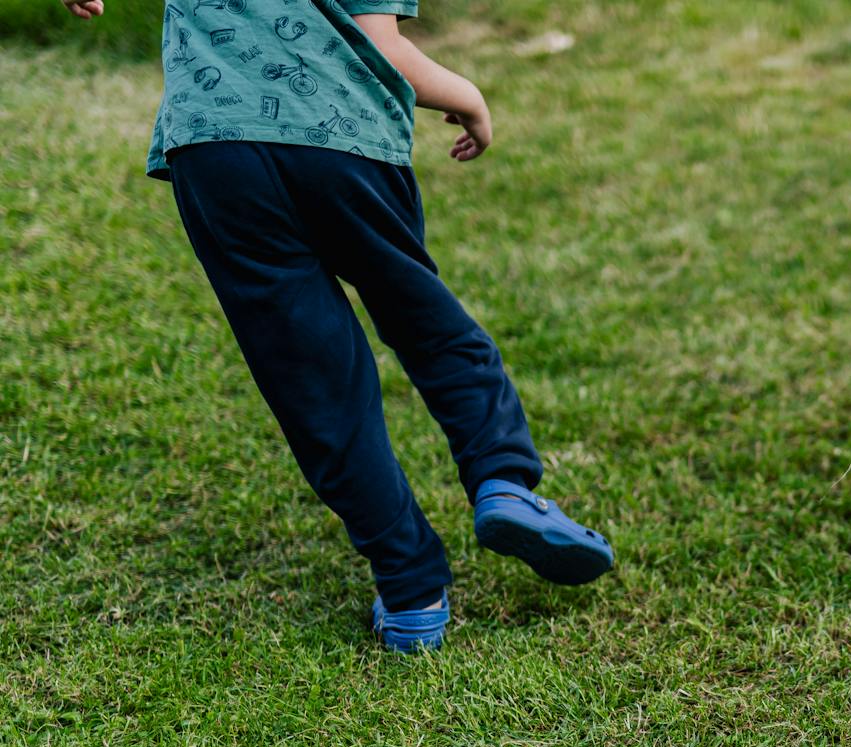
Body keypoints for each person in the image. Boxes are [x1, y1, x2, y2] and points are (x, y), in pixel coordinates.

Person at [59, 0, 614, 652]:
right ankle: (504, 481)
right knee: (425, 323)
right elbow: (383, 48)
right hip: (344, 140)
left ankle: (411, 591)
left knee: (315, 383)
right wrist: (469, 97)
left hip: (217, 151)